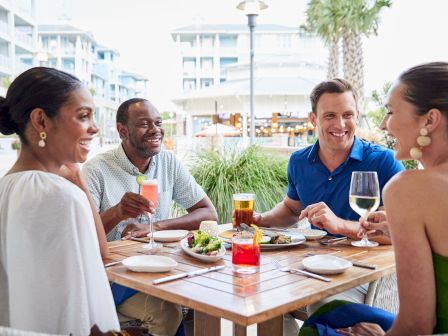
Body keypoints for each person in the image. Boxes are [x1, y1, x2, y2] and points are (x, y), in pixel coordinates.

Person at [254, 79, 404, 310]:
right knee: (261, 293)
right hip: (315, 267)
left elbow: (397, 231)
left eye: (348, 115)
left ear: (356, 116)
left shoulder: (384, 161)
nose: (341, 124)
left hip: (369, 276)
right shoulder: (299, 161)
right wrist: (261, 220)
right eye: (330, 116)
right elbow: (292, 209)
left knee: (320, 304)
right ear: (313, 119)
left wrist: (340, 225)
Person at [82, 98, 218, 335]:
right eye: (145, 124)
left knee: (208, 295)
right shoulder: (96, 170)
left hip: (162, 267)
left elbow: (208, 213)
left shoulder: (168, 161)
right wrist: (118, 212)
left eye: (158, 122)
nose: (155, 130)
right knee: (167, 310)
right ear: (122, 130)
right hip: (114, 277)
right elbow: (83, 236)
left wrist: (157, 225)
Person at [330, 62, 448, 335]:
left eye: (391, 112)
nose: (384, 125)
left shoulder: (407, 188)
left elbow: (416, 325)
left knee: (327, 320)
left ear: (429, 120)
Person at [0, 67, 119, 335]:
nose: (95, 127)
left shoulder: (6, 188)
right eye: (83, 116)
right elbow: (80, 305)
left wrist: (75, 177)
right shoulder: (59, 197)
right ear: (41, 120)